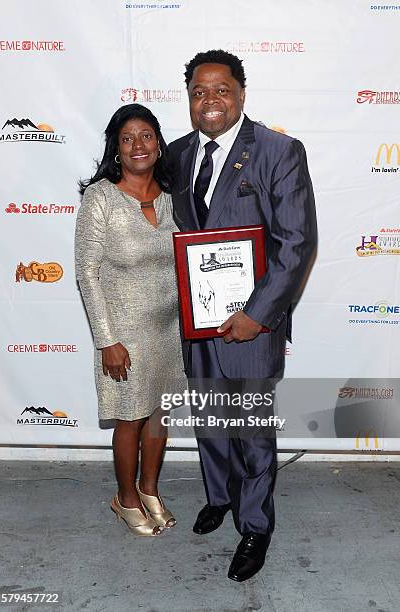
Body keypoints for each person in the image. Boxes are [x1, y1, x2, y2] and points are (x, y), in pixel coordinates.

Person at [168, 50, 317, 580]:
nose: (211, 101)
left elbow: (297, 243)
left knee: (251, 428)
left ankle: (255, 526)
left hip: (252, 325)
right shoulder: (178, 154)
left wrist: (258, 314)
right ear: (189, 98)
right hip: (198, 321)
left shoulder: (279, 151)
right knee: (210, 419)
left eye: (221, 89)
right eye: (199, 92)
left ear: (242, 93)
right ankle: (221, 497)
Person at [75, 104, 185, 536]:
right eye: (127, 138)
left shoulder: (175, 197)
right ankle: (124, 499)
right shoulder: (100, 197)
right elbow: (86, 271)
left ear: (159, 144)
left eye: (146, 135)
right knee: (130, 418)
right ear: (116, 149)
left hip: (171, 332)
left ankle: (150, 489)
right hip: (124, 333)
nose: (138, 145)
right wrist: (107, 340)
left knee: (160, 416)